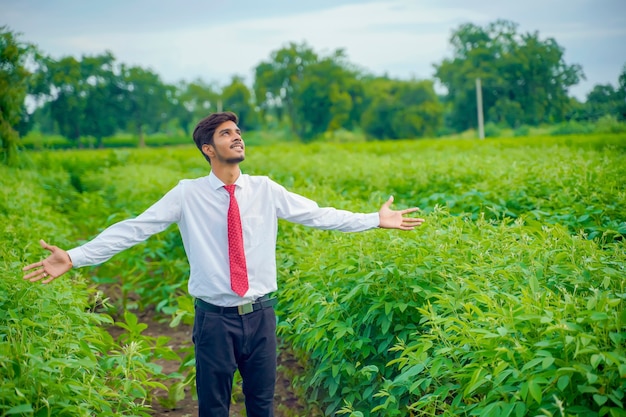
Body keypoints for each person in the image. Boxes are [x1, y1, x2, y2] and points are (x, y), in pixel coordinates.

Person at [23, 111, 425, 417]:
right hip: (214, 318)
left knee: (262, 404)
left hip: (261, 314)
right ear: (208, 149)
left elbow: (320, 214)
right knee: (213, 407)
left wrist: (375, 220)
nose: (237, 138)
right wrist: (75, 257)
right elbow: (135, 229)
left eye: (237, 132)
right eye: (226, 134)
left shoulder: (264, 189)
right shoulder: (187, 194)